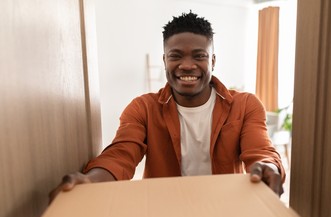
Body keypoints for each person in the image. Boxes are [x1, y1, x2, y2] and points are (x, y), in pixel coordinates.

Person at [49, 11, 285, 202]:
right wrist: (91, 182)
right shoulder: (143, 108)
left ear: (212, 60)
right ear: (165, 60)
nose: (187, 65)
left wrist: (267, 167)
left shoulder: (245, 105)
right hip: (162, 209)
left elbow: (260, 151)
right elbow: (121, 155)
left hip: (225, 206)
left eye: (199, 56)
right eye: (176, 56)